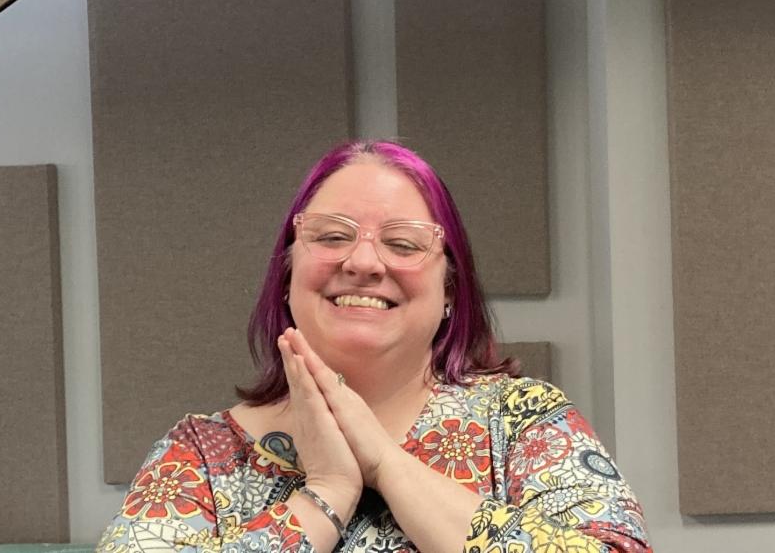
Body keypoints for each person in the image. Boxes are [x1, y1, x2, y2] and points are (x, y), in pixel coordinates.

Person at [97, 140, 651, 553]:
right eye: (332, 237)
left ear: (450, 290)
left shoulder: (523, 421)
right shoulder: (203, 453)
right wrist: (324, 496)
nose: (363, 262)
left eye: (402, 244)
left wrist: (387, 466)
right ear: (286, 275)